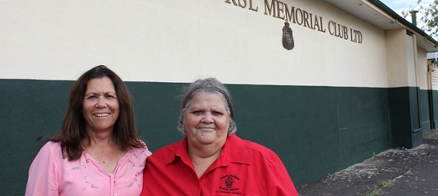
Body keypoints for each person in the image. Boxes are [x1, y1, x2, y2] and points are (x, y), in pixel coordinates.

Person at [141, 77, 298, 195]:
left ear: (229, 120)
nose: (208, 119)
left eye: (217, 113)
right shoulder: (157, 165)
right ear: (183, 116)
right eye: (197, 112)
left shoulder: (263, 161)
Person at [25, 65, 151, 196]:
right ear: (80, 105)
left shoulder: (140, 153)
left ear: (121, 105)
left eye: (109, 96)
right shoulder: (53, 154)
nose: (101, 104)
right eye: (92, 96)